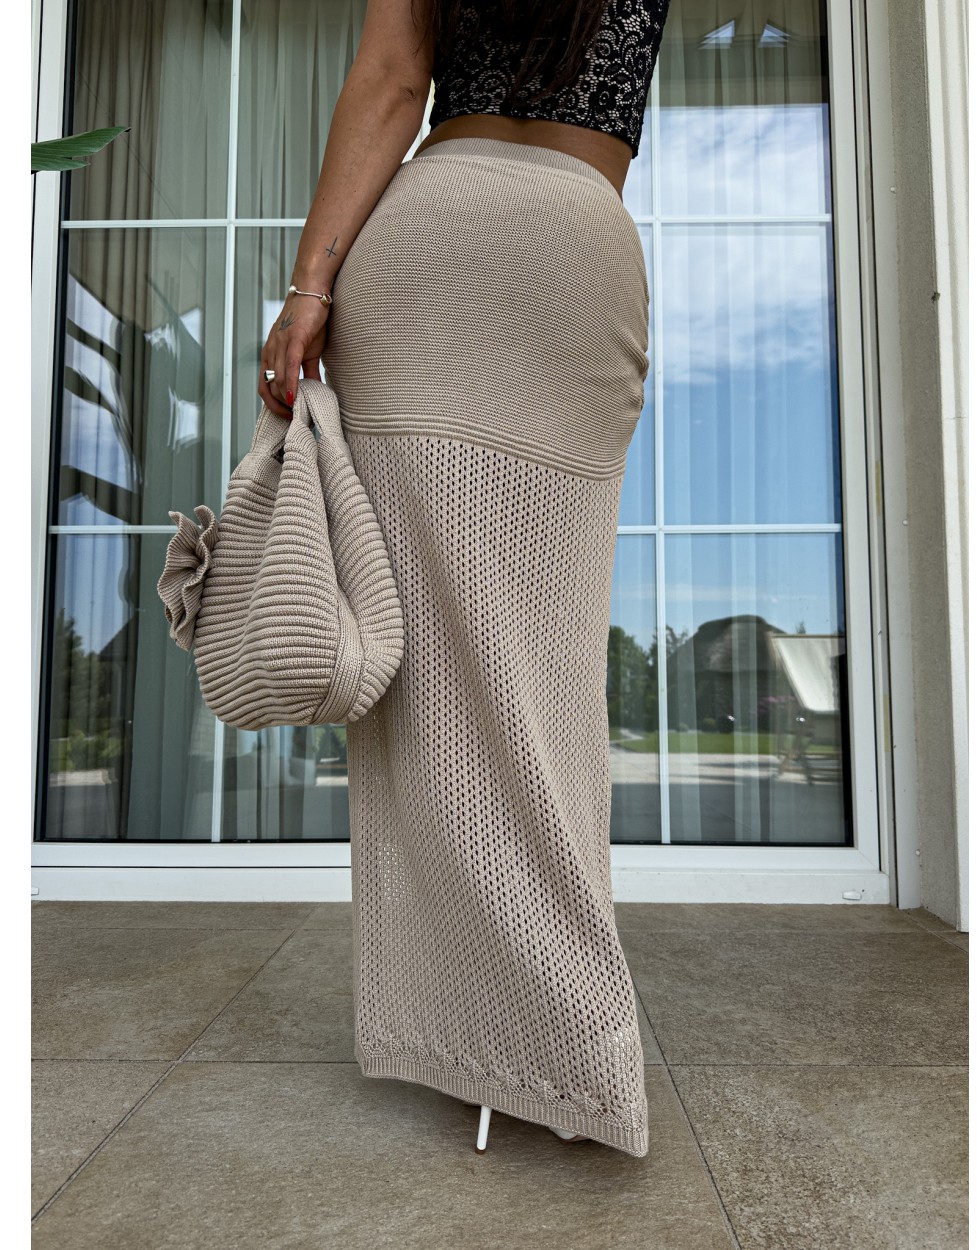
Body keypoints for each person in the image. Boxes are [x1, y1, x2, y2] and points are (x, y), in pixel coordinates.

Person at [258, 0, 670, 1158]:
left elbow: (396, 76)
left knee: (428, 666)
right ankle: (562, 1044)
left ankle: (484, 1035)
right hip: (577, 245)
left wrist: (310, 287)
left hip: (430, 247)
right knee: (550, 672)